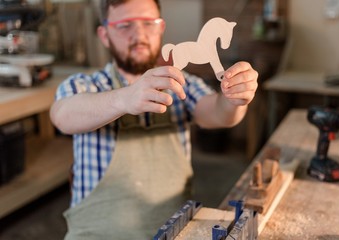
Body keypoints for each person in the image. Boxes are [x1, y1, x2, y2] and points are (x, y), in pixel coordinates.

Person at [50, 0, 258, 238]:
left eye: (149, 23)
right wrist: (124, 98)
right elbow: (62, 115)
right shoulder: (83, 85)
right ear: (104, 34)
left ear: (161, 29)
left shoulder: (182, 84)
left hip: (175, 231)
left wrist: (235, 98)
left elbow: (218, 114)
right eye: (125, 25)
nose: (139, 34)